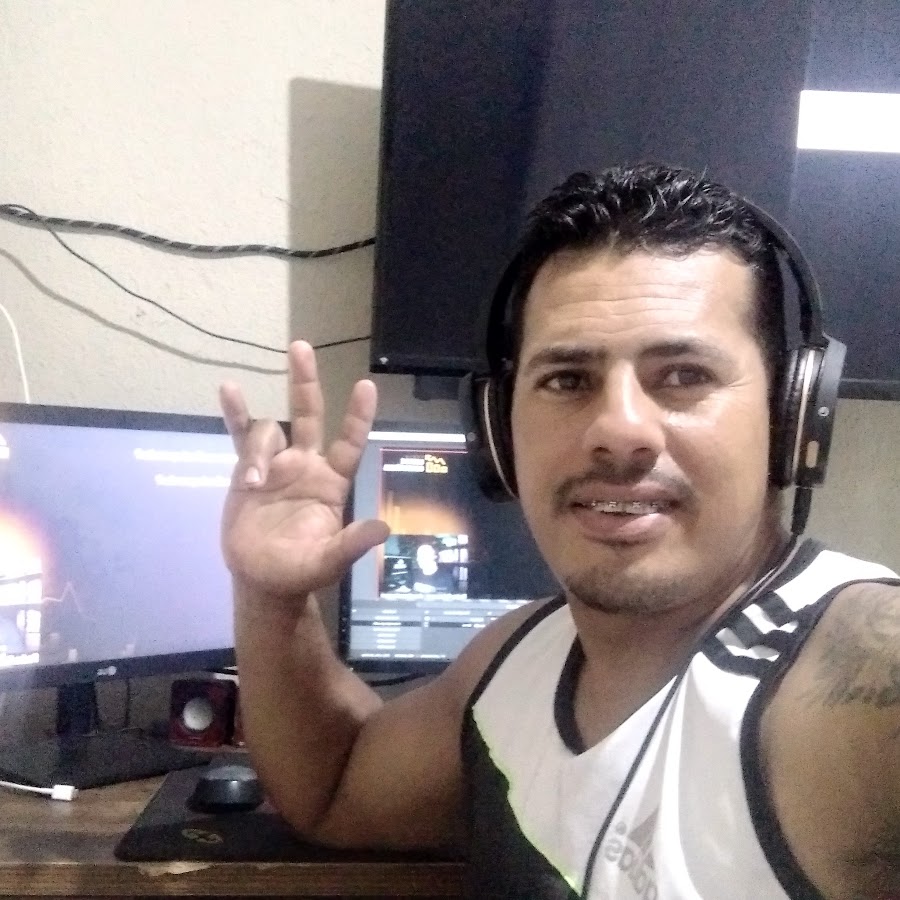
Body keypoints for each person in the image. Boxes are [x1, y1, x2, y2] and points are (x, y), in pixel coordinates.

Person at [218, 164, 900, 899]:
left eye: (683, 375)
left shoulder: (860, 675)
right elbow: (335, 792)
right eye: (568, 380)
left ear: (790, 415)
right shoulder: (514, 661)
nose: (620, 431)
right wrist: (271, 596)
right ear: (498, 433)